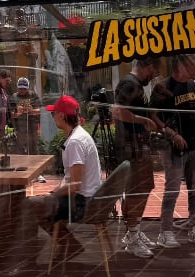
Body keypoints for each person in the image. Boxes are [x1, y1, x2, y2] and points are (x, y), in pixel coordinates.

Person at [25, 95, 102, 261]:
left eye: (54, 113)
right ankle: (68, 244)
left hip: (83, 203)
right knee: (40, 204)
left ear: (61, 115)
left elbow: (74, 186)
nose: (52, 117)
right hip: (87, 198)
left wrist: (53, 195)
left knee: (30, 206)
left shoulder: (75, 142)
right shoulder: (79, 135)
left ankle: (30, 258)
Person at [113, 57, 159, 257]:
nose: (154, 75)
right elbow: (117, 111)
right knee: (136, 191)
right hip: (132, 148)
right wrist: (144, 120)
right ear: (146, 66)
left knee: (144, 188)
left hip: (139, 146)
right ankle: (132, 237)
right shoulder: (129, 83)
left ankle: (134, 232)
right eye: (153, 70)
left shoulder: (136, 85)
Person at [149, 54, 195, 247]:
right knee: (172, 190)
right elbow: (153, 116)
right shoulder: (163, 87)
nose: (193, 67)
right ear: (181, 66)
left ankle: (193, 222)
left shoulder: (193, 85)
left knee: (194, 188)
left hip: (193, 145)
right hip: (172, 148)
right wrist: (172, 134)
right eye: (191, 64)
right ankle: (165, 231)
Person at [10, 77, 42, 155]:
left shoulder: (33, 95)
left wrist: (32, 111)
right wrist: (18, 112)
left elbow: (40, 110)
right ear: (17, 88)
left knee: (33, 150)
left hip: (32, 128)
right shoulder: (14, 96)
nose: (22, 91)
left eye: (24, 89)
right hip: (19, 129)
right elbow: (10, 114)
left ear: (28, 88)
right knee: (19, 151)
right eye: (20, 89)